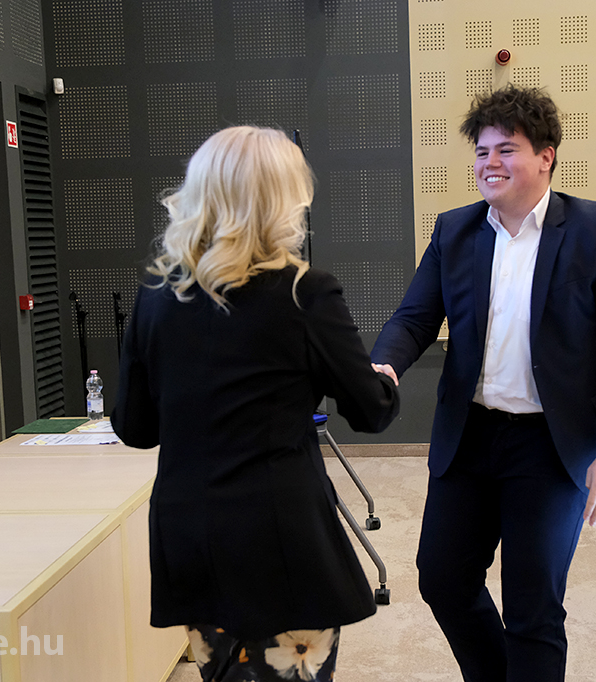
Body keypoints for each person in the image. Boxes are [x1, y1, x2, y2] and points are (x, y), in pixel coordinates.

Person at [371, 85, 596, 681]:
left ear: (546, 156)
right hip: (470, 436)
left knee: (532, 608)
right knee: (443, 580)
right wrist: (385, 364)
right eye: (481, 152)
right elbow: (415, 318)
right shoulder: (455, 231)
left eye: (506, 149)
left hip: (551, 445)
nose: (490, 163)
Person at [112, 126, 399, 682]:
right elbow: (370, 411)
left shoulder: (156, 297)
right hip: (280, 540)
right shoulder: (305, 293)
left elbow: (135, 427)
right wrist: (380, 379)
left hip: (190, 533)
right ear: (282, 202)